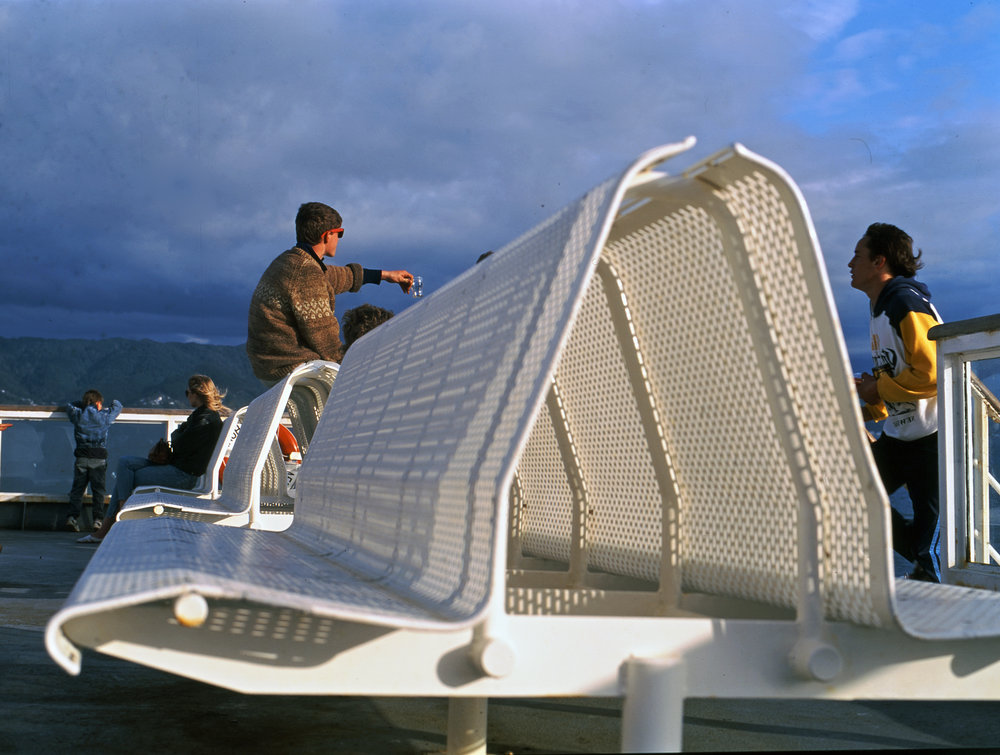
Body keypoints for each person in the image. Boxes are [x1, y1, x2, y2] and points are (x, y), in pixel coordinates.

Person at [246, 202, 412, 446]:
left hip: (270, 362)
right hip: (289, 364)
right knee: (354, 401)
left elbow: (337, 277)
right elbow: (325, 339)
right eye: (340, 233)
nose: (340, 239)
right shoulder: (306, 272)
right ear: (327, 235)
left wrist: (385, 276)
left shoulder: (293, 261)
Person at [850, 222, 942, 582]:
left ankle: (931, 584)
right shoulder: (880, 309)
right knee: (853, 498)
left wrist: (878, 390)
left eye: (857, 255)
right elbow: (895, 375)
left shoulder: (904, 301)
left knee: (926, 539)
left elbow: (930, 374)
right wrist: (869, 405)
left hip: (933, 437)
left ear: (879, 261)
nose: (849, 263)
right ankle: (924, 570)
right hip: (900, 436)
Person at [78, 375, 226, 544]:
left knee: (126, 478)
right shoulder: (202, 416)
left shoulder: (204, 419)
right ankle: (120, 516)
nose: (187, 396)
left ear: (196, 393)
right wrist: (178, 434)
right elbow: (179, 437)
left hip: (183, 475)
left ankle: (111, 525)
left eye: (187, 392)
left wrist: (178, 434)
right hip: (177, 467)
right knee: (124, 462)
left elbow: (180, 442)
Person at [64, 389, 123, 532]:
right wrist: (111, 402)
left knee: (77, 490)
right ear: (98, 403)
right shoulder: (104, 416)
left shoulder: (78, 415)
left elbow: (69, 406)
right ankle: (98, 520)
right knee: (98, 491)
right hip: (99, 458)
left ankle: (72, 517)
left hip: (81, 458)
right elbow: (118, 406)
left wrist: (84, 405)